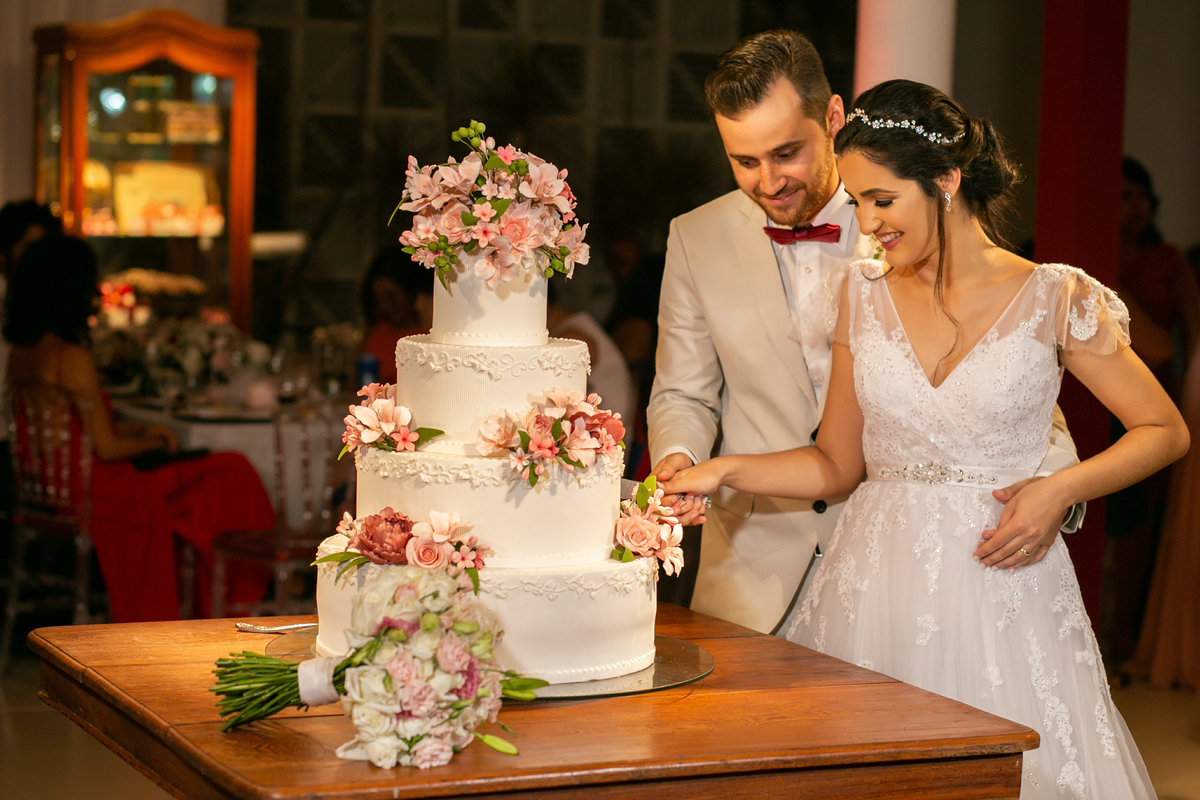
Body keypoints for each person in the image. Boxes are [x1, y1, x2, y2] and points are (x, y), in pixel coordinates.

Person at [663, 78, 1182, 799]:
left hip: (1007, 585)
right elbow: (834, 464)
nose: (866, 223)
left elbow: (1164, 430)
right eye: (858, 201)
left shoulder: (1054, 296)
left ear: (945, 179)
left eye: (881, 201)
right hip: (874, 589)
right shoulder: (860, 295)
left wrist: (1059, 489)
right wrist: (724, 470)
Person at [647, 30, 1082, 635]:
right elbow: (683, 391)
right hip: (753, 564)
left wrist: (1057, 487)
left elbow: (1008, 365)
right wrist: (679, 460)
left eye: (786, 152)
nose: (768, 181)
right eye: (745, 161)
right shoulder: (695, 237)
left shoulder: (913, 217)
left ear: (832, 117)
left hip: (904, 563)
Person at [4, 235, 275, 621]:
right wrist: (152, 439)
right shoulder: (71, 357)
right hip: (96, 489)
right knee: (231, 471)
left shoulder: (22, 355)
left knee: (204, 484)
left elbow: (77, 431)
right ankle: (232, 600)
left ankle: (207, 602)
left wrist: (145, 436)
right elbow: (108, 447)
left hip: (51, 487)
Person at [359, 246, 434, 384]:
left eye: (391, 296)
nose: (385, 306)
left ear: (411, 293)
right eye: (378, 298)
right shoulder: (376, 331)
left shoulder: (428, 336)